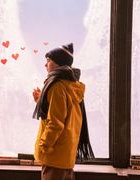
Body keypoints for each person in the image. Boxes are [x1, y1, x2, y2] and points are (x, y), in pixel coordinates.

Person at [33, 43, 94, 180]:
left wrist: (43, 146)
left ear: (58, 64)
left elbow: (56, 123)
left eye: (48, 61)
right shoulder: (71, 85)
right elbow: (64, 113)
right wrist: (40, 100)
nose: (45, 65)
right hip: (66, 155)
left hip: (54, 155)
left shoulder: (57, 87)